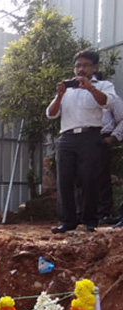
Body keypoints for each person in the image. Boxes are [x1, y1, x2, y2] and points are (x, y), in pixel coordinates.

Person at [46, 50, 116, 234]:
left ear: (94, 67)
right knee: (65, 180)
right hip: (66, 137)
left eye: (86, 65)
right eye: (78, 65)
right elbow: (51, 114)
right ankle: (67, 221)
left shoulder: (103, 85)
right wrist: (60, 95)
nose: (81, 69)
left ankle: (89, 220)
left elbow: (108, 103)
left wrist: (90, 88)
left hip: (90, 136)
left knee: (89, 179)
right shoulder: (66, 89)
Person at [97, 95, 123, 225]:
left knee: (102, 176)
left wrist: (113, 137)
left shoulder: (111, 97)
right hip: (83, 137)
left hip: (103, 137)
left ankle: (104, 214)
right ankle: (84, 214)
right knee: (82, 177)